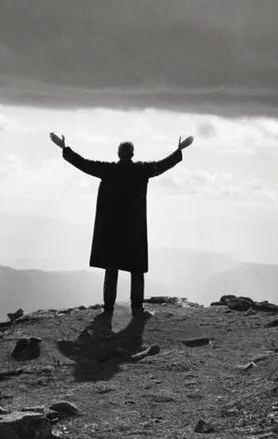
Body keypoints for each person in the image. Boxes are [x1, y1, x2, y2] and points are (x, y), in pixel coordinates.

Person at [51, 131, 193, 316]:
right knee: (136, 270)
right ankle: (137, 308)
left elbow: (83, 163)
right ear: (132, 153)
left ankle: (108, 308)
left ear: (118, 153)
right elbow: (162, 165)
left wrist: (64, 148)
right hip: (134, 229)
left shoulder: (108, 170)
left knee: (111, 269)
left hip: (111, 229)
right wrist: (178, 150)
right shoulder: (142, 170)